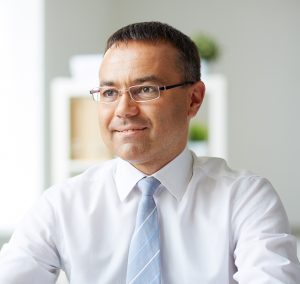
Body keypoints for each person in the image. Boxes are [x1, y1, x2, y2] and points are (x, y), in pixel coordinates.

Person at [0, 21, 299, 284]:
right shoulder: (62, 204)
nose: (123, 110)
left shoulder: (244, 199)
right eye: (109, 93)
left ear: (193, 99)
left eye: (145, 90)